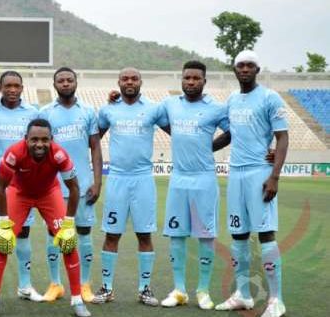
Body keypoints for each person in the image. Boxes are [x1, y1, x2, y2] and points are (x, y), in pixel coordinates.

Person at [0, 118, 91, 317]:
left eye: (44, 140)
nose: (39, 144)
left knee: (67, 242)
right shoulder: (14, 153)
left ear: (51, 139)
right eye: (34, 140)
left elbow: (74, 188)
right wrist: (4, 223)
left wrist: (69, 223)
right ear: (26, 139)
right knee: (3, 242)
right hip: (19, 193)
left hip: (49, 193)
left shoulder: (59, 155)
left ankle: (77, 300)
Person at [213, 50, 289, 317]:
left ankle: (276, 300)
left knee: (266, 234)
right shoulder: (232, 100)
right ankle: (242, 295)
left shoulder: (270, 97)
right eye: (240, 65)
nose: (244, 69)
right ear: (235, 70)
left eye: (250, 65)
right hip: (236, 174)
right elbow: (230, 135)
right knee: (238, 236)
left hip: (260, 173)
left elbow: (282, 138)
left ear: (257, 69)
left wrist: (274, 176)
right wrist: (203, 149)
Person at [155, 61, 229, 310]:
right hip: (179, 178)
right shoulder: (170, 104)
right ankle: (178, 290)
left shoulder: (216, 108)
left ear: (204, 81)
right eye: (187, 78)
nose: (191, 82)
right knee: (176, 234)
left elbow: (231, 133)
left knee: (205, 235)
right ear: (181, 80)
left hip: (204, 178)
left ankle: (203, 291)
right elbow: (150, 117)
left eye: (196, 78)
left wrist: (209, 147)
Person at [93, 67, 168, 306]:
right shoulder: (108, 109)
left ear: (141, 82)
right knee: (111, 234)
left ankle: (145, 289)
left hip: (143, 179)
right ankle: (106, 288)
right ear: (118, 82)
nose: (129, 82)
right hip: (117, 179)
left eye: (134, 78)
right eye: (125, 78)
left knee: (144, 235)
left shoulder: (153, 109)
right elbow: (93, 139)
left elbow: (178, 133)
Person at [0, 71, 41, 303]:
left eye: (16, 86)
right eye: (8, 86)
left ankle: (25, 285)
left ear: (22, 88)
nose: (12, 90)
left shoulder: (33, 112)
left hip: (24, 180)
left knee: (23, 231)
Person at [38, 67, 102, 302]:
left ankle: (84, 284)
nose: (65, 83)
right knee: (53, 234)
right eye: (61, 80)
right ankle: (55, 284)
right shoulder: (45, 113)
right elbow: (40, 151)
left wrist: (97, 181)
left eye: (69, 80)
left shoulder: (87, 112)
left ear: (76, 82)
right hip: (53, 188)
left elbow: (95, 147)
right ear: (54, 84)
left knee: (84, 233)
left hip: (83, 186)